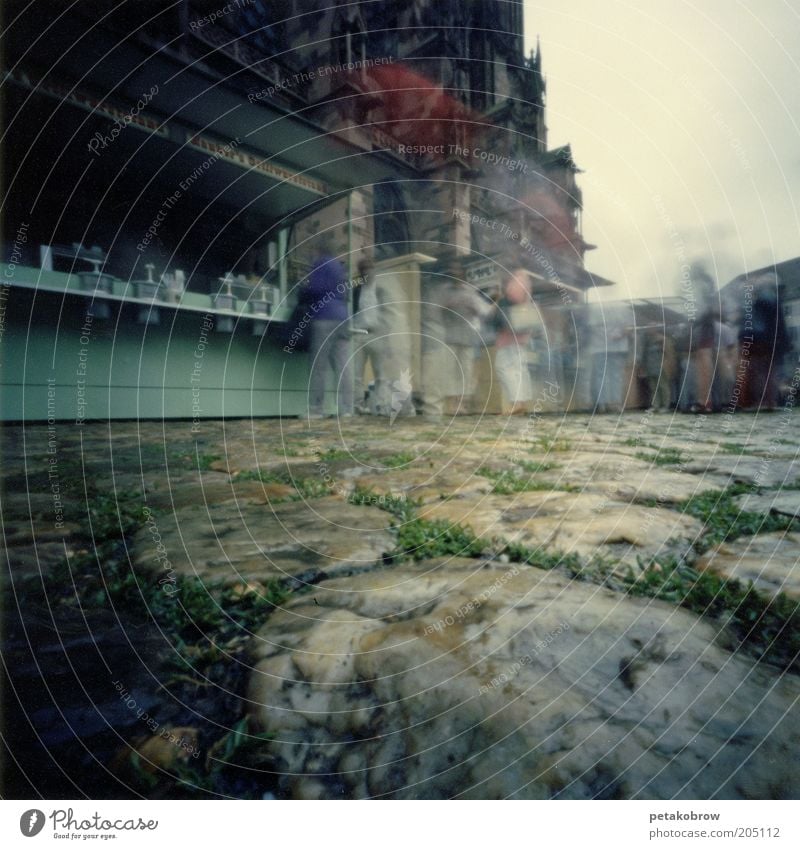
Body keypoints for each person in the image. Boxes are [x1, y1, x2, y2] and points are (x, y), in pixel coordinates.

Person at [304, 238, 353, 418]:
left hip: (324, 317)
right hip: (342, 317)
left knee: (318, 366)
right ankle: (347, 409)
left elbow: (314, 289)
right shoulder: (340, 267)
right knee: (342, 366)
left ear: (318, 249)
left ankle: (316, 409)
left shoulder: (320, 263)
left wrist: (303, 291)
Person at [440, 278, 493, 414]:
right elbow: (438, 310)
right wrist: (448, 305)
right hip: (451, 336)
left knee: (466, 371)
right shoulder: (445, 290)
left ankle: (462, 404)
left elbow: (484, 312)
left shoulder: (471, 293)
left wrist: (474, 308)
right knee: (451, 371)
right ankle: (451, 405)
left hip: (468, 338)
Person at [492, 269, 536, 415]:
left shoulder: (517, 278)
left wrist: (500, 298)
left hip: (509, 337)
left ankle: (516, 403)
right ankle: (521, 403)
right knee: (519, 370)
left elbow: (514, 297)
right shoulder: (526, 279)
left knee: (504, 367)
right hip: (521, 336)